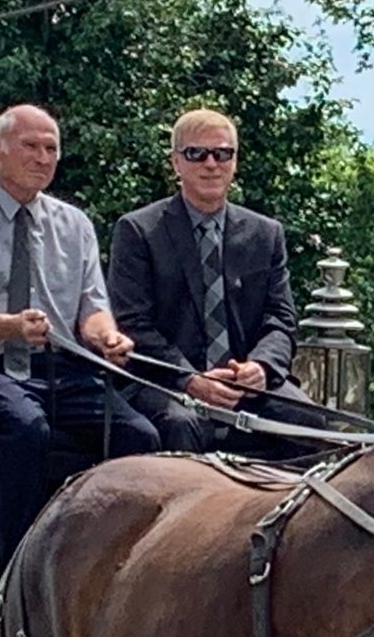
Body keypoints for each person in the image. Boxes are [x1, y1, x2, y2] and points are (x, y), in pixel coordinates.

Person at [0, 103, 161, 598]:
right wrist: (10, 326)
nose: (43, 157)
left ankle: (119, 572)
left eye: (51, 148)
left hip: (59, 367)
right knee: (25, 429)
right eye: (31, 146)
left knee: (139, 435)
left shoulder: (73, 224)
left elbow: (92, 311)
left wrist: (107, 337)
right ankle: (15, 578)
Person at [107, 107, 319, 454]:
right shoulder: (138, 231)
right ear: (176, 163)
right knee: (181, 425)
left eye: (223, 153)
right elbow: (132, 323)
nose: (211, 163)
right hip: (167, 383)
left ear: (235, 162)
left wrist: (261, 367)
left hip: (246, 385)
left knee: (307, 421)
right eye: (196, 153)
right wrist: (190, 380)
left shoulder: (265, 235)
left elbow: (280, 318)